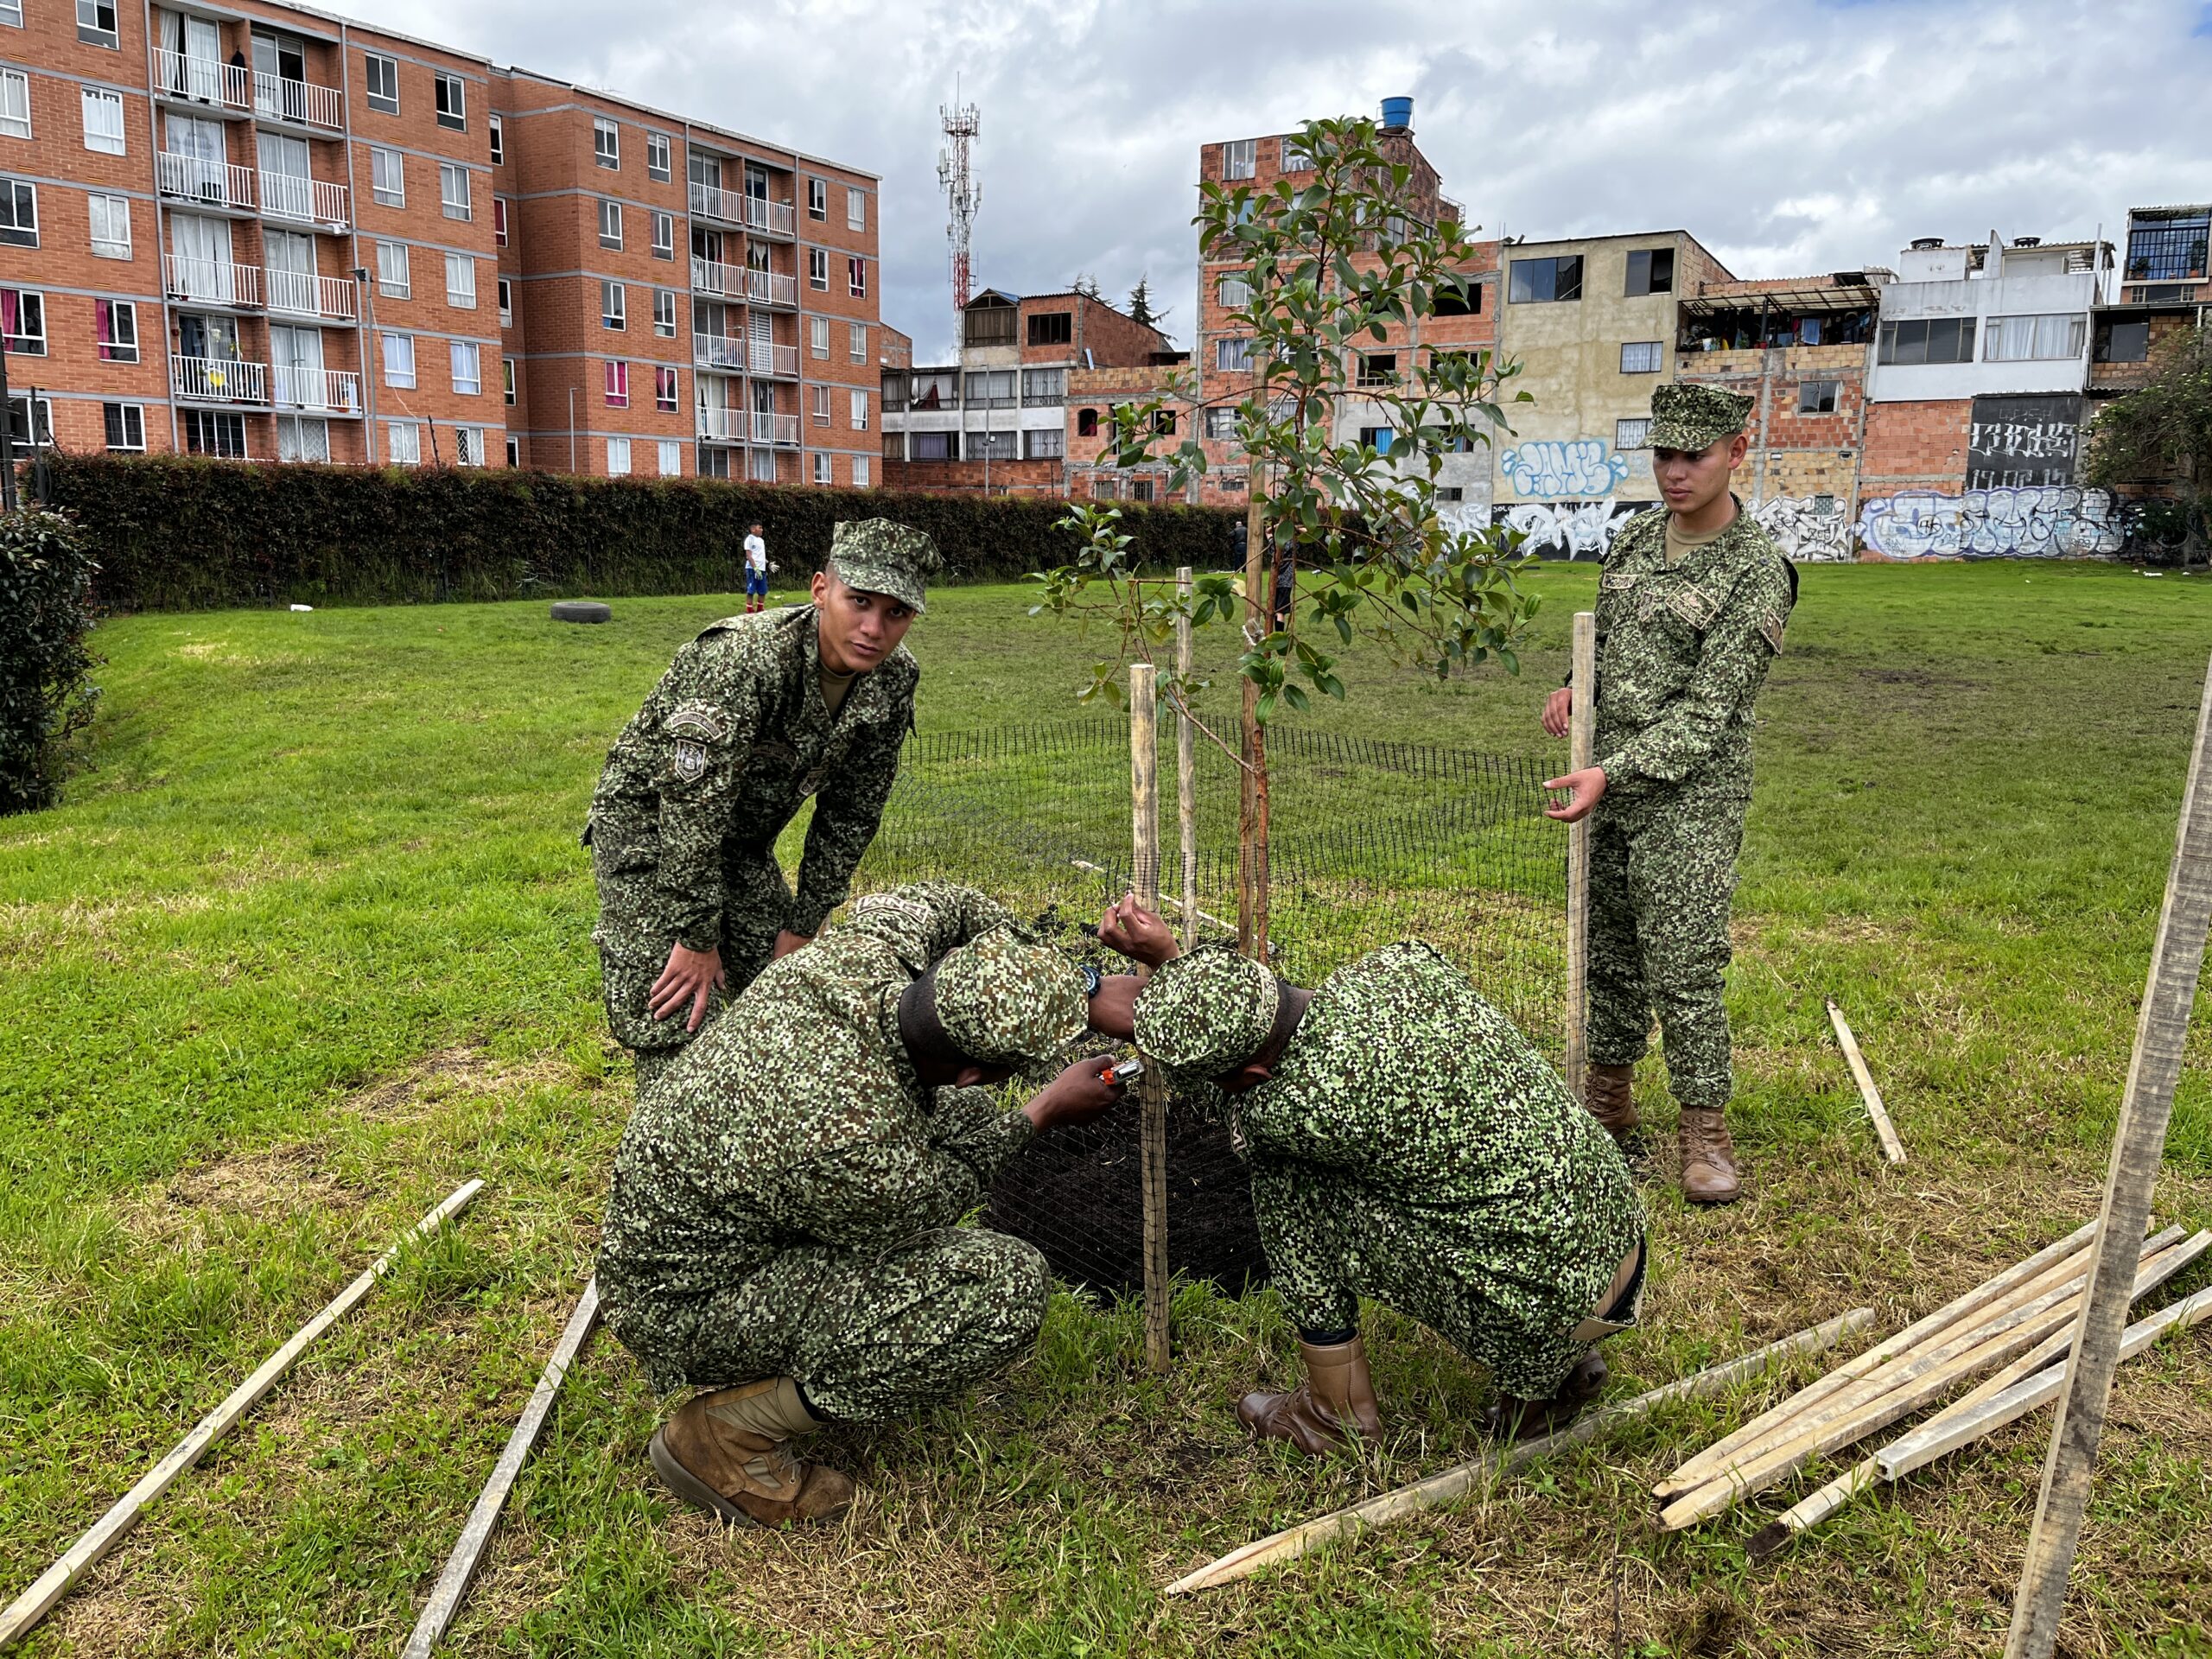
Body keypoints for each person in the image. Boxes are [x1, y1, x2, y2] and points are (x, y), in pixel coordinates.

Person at [597, 882, 1140, 1526]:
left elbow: (941, 900)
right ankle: (727, 1436)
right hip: (683, 1301)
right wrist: (1041, 1111)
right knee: (1001, 1289)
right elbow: (933, 1196)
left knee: (959, 1122)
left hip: (690, 1224)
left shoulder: (865, 953)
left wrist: (1076, 983)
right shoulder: (855, 1143)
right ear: (970, 1069)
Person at [1093, 899, 1645, 1449]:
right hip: (1618, 1236)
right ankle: (1557, 1364)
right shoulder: (1398, 964)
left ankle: (1335, 1417)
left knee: (1288, 1193)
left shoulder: (1295, 1112)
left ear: (1256, 1073)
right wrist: (1175, 960)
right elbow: (1258, 1024)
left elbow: (1255, 1124)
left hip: (1549, 1299)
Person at [1540, 384, 1797, 1205]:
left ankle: (1705, 1133)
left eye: (1695, 456)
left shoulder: (1759, 574)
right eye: (1663, 456)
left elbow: (1709, 713)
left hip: (1690, 795)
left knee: (1684, 964)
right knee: (1608, 945)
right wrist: (1574, 685)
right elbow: (1609, 642)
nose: (1676, 473)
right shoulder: (1634, 542)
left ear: (1735, 454)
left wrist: (1610, 772)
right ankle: (1608, 1105)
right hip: (1606, 781)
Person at [586, 518, 938, 1090]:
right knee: (681, 1009)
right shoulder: (745, 661)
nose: (874, 627)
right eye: (860, 601)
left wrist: (805, 921)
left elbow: (852, 809)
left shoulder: (891, 681)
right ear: (821, 589)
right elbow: (689, 808)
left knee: (790, 989)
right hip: (650, 835)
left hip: (738, 843)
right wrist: (698, 939)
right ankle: (672, 1153)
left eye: (896, 612)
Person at [742, 522, 770, 615]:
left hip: (762, 569)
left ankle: (760, 608)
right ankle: (749, 609)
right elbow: (749, 556)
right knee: (751, 589)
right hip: (752, 568)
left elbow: (760, 555)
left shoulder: (761, 541)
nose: (762, 530)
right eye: (760, 528)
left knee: (763, 590)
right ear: (753, 529)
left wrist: (768, 563)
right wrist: (755, 568)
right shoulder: (749, 539)